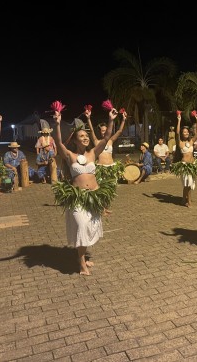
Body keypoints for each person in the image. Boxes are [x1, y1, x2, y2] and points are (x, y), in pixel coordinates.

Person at [51, 104, 118, 275]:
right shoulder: (70, 156)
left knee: (89, 227)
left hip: (94, 196)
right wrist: (57, 124)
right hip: (78, 197)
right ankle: (80, 262)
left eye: (87, 135)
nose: (86, 137)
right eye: (82, 136)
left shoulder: (93, 153)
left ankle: (82, 256)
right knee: (81, 225)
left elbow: (107, 137)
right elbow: (58, 142)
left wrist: (111, 120)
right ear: (75, 140)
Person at [171, 112, 197, 207]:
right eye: (184, 132)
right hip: (184, 165)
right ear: (182, 133)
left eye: (187, 131)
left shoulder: (191, 141)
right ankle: (188, 201)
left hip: (192, 165)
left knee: (189, 183)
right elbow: (176, 133)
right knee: (188, 183)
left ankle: (183, 199)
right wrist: (179, 120)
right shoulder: (180, 143)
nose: (186, 133)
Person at [86, 107, 127, 181]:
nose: (104, 132)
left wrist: (123, 120)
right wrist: (88, 118)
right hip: (101, 168)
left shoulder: (111, 140)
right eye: (102, 131)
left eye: (105, 130)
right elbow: (91, 131)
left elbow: (119, 131)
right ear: (100, 132)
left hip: (111, 167)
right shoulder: (97, 142)